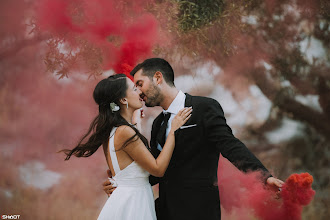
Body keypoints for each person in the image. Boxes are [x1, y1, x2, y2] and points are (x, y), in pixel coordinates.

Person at [103, 58, 284, 220]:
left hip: (199, 212)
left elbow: (230, 145)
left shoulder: (204, 108)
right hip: (163, 212)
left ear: (158, 78)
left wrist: (264, 177)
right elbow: (159, 169)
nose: (139, 92)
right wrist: (121, 183)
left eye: (140, 84)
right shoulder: (157, 123)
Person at [60, 73, 192, 220]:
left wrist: (136, 121)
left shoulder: (115, 130)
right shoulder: (125, 132)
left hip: (126, 199)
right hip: (134, 203)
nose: (140, 92)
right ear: (123, 100)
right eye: (134, 89)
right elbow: (158, 169)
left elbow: (134, 158)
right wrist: (173, 130)